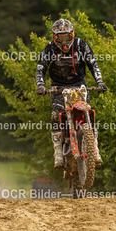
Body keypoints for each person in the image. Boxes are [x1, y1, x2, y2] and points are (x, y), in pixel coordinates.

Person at [36, 18, 107, 168]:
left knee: (88, 113)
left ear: (72, 34)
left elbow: (93, 64)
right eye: (60, 37)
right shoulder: (50, 48)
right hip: (58, 86)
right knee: (56, 115)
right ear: (54, 37)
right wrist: (41, 86)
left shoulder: (81, 45)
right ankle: (58, 153)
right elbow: (41, 68)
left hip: (79, 84)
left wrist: (100, 82)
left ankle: (94, 149)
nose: (64, 41)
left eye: (67, 36)